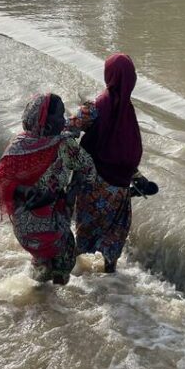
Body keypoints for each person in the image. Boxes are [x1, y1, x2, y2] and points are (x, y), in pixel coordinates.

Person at [68, 53, 155, 273]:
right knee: (115, 231)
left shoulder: (96, 106)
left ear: (110, 75)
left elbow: (69, 129)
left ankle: (69, 274)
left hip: (93, 181)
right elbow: (128, 149)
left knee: (85, 228)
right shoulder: (128, 110)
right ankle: (110, 275)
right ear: (131, 80)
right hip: (120, 186)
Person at [0, 93, 95, 285]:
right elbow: (88, 169)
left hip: (24, 230)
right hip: (52, 225)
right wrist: (71, 193)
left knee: (42, 262)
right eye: (59, 115)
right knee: (64, 258)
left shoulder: (18, 145)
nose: (63, 119)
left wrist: (25, 191)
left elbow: (2, 179)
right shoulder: (64, 145)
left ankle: (39, 293)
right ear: (45, 121)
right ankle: (54, 307)